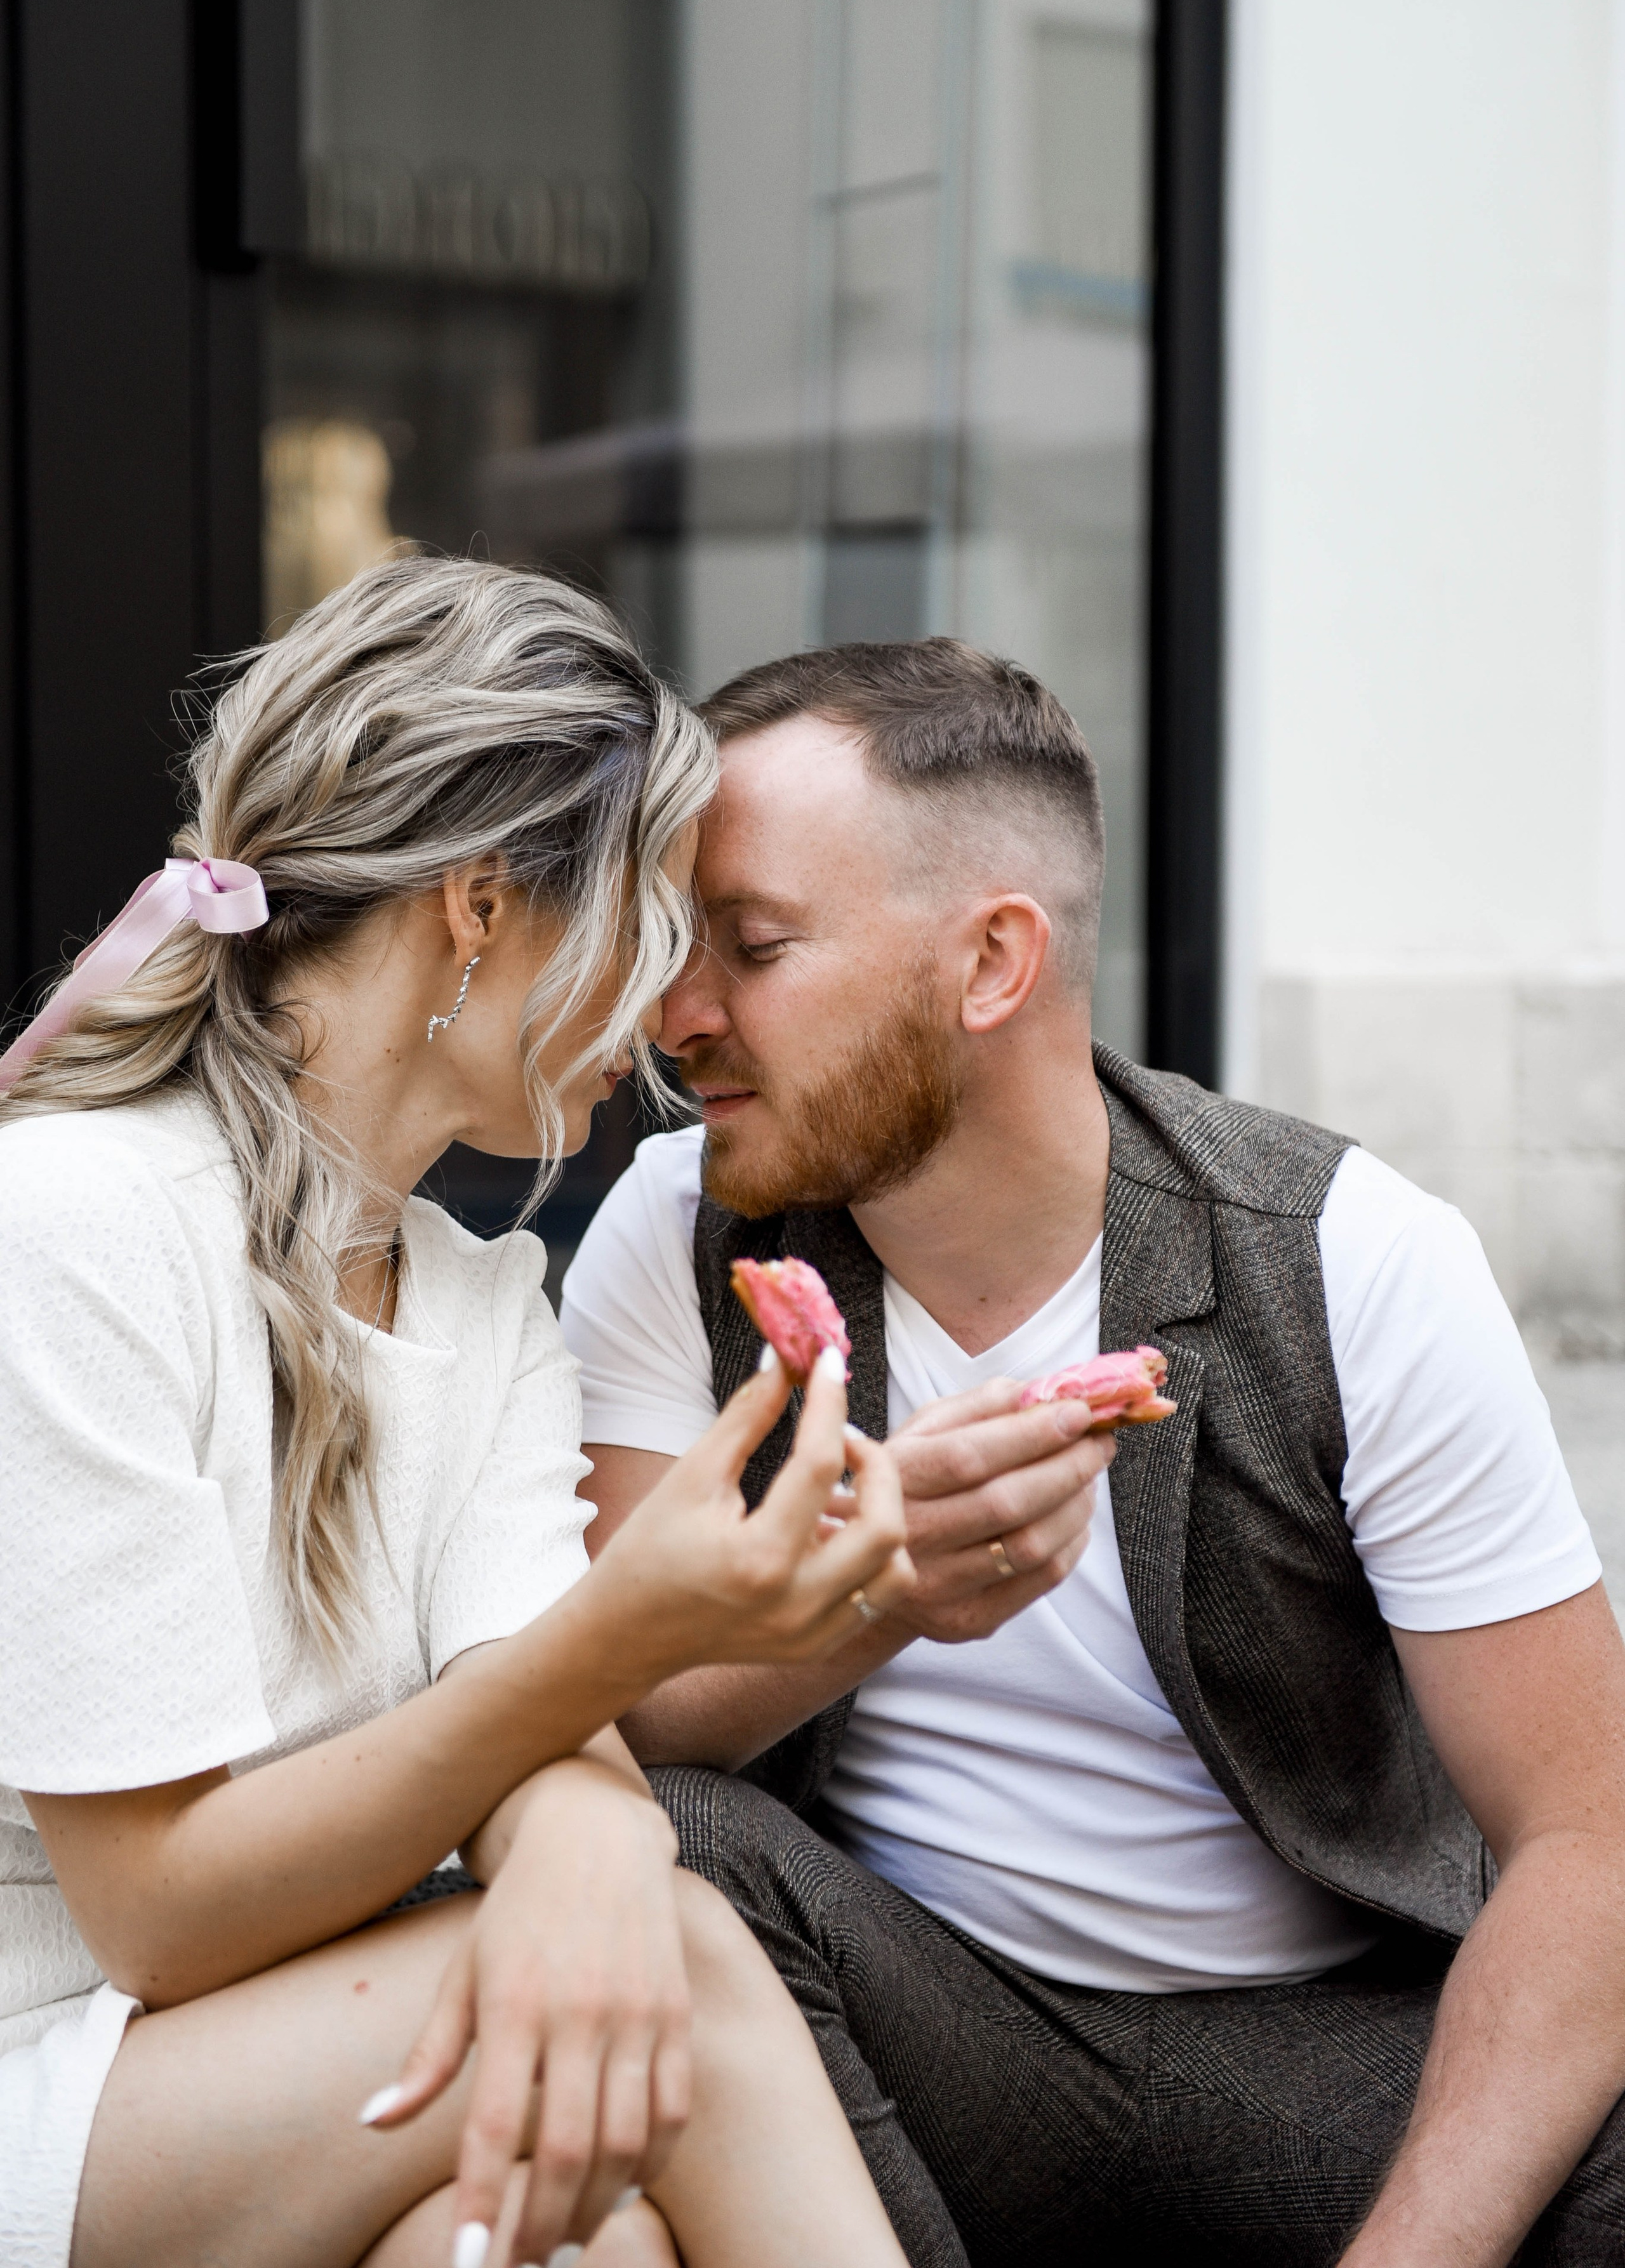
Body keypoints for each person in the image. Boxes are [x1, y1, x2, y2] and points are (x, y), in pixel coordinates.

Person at [564, 635, 1625, 2267]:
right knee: (669, 1850)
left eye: (750, 947)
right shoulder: (674, 1229)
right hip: (924, 2043)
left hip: (1324, 2056)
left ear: (991, 961)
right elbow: (617, 1716)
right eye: (669, 945)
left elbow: (1584, 1837)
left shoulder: (1347, 1259)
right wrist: (875, 1594)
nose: (675, 1015)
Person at [0, 557, 918, 2268]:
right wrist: (624, 1651)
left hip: (284, 2054)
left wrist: (584, 1829)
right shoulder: (73, 1225)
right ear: (484, 905)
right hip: (53, 2060)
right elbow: (155, 1914)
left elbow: (525, 1709)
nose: (667, 1008)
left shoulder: (488, 1297)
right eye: (650, 913)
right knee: (699, 1978)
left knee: (569, 2238)